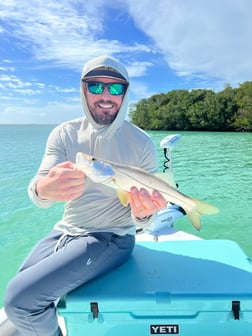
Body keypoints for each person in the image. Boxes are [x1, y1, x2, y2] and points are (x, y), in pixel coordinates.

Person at [4, 55, 167, 336]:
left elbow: (146, 223)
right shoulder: (64, 134)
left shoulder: (142, 143)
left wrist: (143, 213)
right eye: (95, 86)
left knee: (18, 301)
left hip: (112, 238)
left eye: (115, 88)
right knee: (20, 288)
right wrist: (46, 189)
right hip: (65, 232)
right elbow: (39, 187)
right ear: (83, 89)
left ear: (126, 94)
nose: (105, 96)